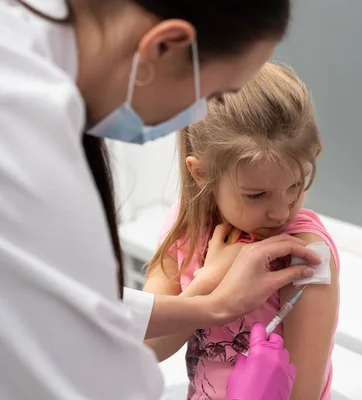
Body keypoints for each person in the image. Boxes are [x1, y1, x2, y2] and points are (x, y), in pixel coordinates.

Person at [0, 0, 320, 398]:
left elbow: (94, 310)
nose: (198, 115)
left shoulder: (307, 249)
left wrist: (211, 301)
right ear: (164, 46)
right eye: (216, 92)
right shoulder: (23, 133)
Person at [143, 63, 340, 400]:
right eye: (256, 195)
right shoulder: (184, 230)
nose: (280, 211)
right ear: (201, 173)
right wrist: (209, 282)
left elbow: (303, 393)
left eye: (295, 185)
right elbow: (147, 347)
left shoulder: (305, 252)